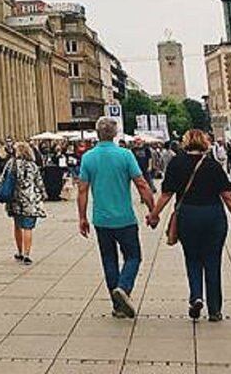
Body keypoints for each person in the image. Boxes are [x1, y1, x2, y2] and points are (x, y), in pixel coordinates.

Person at [147, 129, 231, 322]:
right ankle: (215, 310)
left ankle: (196, 297)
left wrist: (154, 215)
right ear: (205, 143)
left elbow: (166, 195)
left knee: (192, 258)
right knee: (213, 261)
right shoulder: (213, 165)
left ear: (186, 142)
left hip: (188, 215)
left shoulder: (176, 163)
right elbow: (227, 196)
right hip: (213, 215)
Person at [77, 116, 155, 319]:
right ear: (115, 134)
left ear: (97, 133)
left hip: (101, 220)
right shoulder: (125, 155)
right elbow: (142, 184)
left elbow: (82, 191)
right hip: (125, 218)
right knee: (133, 256)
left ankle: (117, 305)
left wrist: (82, 217)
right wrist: (152, 209)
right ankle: (124, 286)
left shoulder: (88, 158)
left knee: (108, 260)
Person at [3, 141, 46, 264]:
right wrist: (43, 195)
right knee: (28, 228)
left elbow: (3, 179)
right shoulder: (33, 166)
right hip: (30, 200)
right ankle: (27, 255)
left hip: (15, 200)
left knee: (17, 226)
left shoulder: (11, 164)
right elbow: (39, 183)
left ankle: (20, 252)